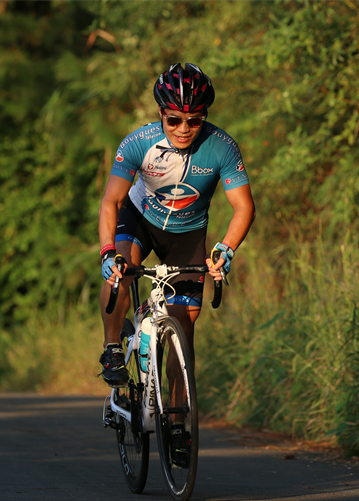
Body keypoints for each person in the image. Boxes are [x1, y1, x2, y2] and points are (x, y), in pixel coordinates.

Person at [98, 62, 255, 387]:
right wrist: (107, 252)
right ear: (161, 112)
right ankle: (112, 347)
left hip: (188, 234)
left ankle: (180, 413)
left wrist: (226, 249)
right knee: (121, 271)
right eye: (173, 120)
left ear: (204, 117)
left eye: (194, 121)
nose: (184, 129)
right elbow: (111, 201)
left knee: (184, 329)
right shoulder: (138, 143)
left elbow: (244, 207)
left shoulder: (222, 147)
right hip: (140, 219)